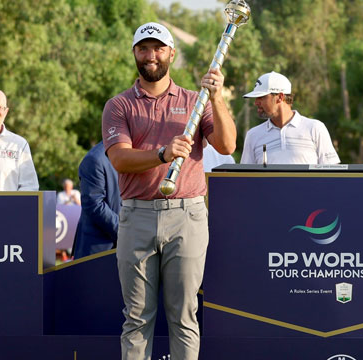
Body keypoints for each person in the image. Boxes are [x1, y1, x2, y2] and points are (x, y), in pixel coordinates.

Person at [102, 22, 236, 359]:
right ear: (134, 53)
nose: (151, 56)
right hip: (137, 215)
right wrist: (162, 153)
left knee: (184, 316)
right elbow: (119, 158)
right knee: (136, 319)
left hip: (186, 215)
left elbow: (227, 142)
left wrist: (217, 98)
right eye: (144, 48)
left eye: (158, 48)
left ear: (171, 54)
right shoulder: (118, 106)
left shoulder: (196, 100)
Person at [240, 71, 340, 164]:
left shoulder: (315, 128)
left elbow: (332, 174)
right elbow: (246, 179)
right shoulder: (252, 135)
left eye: (261, 97)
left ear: (280, 97)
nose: (256, 103)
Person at [72, 143, 121, 258]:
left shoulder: (138, 154)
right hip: (98, 250)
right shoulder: (95, 159)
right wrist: (126, 232)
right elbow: (94, 204)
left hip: (129, 248)